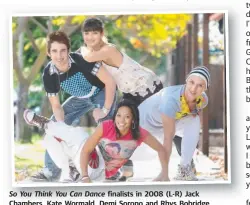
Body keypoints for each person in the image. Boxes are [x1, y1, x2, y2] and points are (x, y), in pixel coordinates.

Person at [79, 17, 164, 177]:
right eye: (87, 33)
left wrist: (82, 49)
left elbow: (86, 57)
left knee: (161, 125)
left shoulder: (108, 49)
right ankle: (127, 165)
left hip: (147, 86)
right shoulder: (95, 54)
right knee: (121, 124)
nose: (90, 37)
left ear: (102, 34)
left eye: (94, 33)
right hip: (130, 92)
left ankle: (187, 162)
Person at [29, 31, 117, 182]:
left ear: (68, 51)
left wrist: (105, 110)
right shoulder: (48, 74)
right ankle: (51, 171)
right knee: (54, 125)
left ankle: (113, 170)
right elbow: (56, 106)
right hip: (81, 98)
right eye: (54, 51)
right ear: (49, 53)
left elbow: (110, 82)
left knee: (106, 125)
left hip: (102, 91)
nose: (59, 55)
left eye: (63, 50)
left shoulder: (83, 59)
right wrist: (62, 130)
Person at [23, 100, 169, 182]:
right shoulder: (107, 126)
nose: (121, 121)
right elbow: (87, 149)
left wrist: (164, 173)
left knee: (78, 136)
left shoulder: (139, 133)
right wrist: (84, 175)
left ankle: (48, 125)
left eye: (127, 117)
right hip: (86, 156)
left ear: (133, 120)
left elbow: (161, 149)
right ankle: (69, 167)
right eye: (118, 115)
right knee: (49, 139)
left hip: (98, 169)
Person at [134, 66, 210, 181]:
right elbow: (168, 138)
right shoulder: (170, 99)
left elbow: (192, 115)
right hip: (142, 126)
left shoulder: (203, 100)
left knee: (194, 121)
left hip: (167, 122)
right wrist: (164, 174)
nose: (194, 89)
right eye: (192, 82)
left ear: (205, 88)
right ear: (186, 81)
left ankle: (184, 170)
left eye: (200, 85)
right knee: (118, 152)